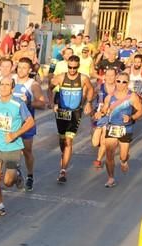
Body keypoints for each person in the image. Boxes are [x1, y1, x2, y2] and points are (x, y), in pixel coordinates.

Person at [0, 76, 35, 217]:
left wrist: (14, 134)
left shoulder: (18, 104)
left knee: (7, 182)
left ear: (12, 88)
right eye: (2, 84)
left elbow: (30, 122)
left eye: (7, 85)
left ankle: (17, 176)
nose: (4, 87)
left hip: (13, 147)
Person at [96, 72, 142, 188]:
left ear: (128, 83)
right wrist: (100, 113)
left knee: (123, 156)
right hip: (111, 127)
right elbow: (104, 110)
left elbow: (141, 110)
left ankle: (123, 161)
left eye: (124, 82)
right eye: (118, 81)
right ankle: (111, 178)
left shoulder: (132, 96)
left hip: (125, 129)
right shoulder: (109, 97)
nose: (121, 84)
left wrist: (131, 117)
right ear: (115, 81)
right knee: (109, 155)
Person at [50, 55, 94, 183]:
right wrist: (52, 102)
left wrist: (89, 103)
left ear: (78, 66)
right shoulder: (61, 77)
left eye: (75, 67)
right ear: (67, 66)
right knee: (62, 140)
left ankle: (63, 170)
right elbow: (49, 88)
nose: (72, 70)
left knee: (69, 141)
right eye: (70, 67)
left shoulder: (83, 78)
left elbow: (91, 89)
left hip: (75, 112)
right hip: (62, 112)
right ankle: (64, 155)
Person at [12, 58, 46, 191]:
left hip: (26, 123)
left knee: (26, 151)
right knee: (11, 150)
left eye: (24, 67)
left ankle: (30, 175)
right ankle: (16, 171)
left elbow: (42, 103)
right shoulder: (11, 81)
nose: (21, 70)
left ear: (30, 70)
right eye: (19, 67)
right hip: (12, 123)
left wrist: (29, 103)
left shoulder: (33, 85)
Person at [91, 68, 118, 170]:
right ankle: (101, 150)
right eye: (108, 75)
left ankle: (98, 160)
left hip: (110, 116)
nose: (110, 78)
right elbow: (91, 97)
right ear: (104, 76)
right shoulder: (99, 87)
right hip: (98, 116)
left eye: (112, 75)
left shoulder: (119, 89)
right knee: (95, 142)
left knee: (103, 141)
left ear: (116, 77)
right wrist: (89, 107)